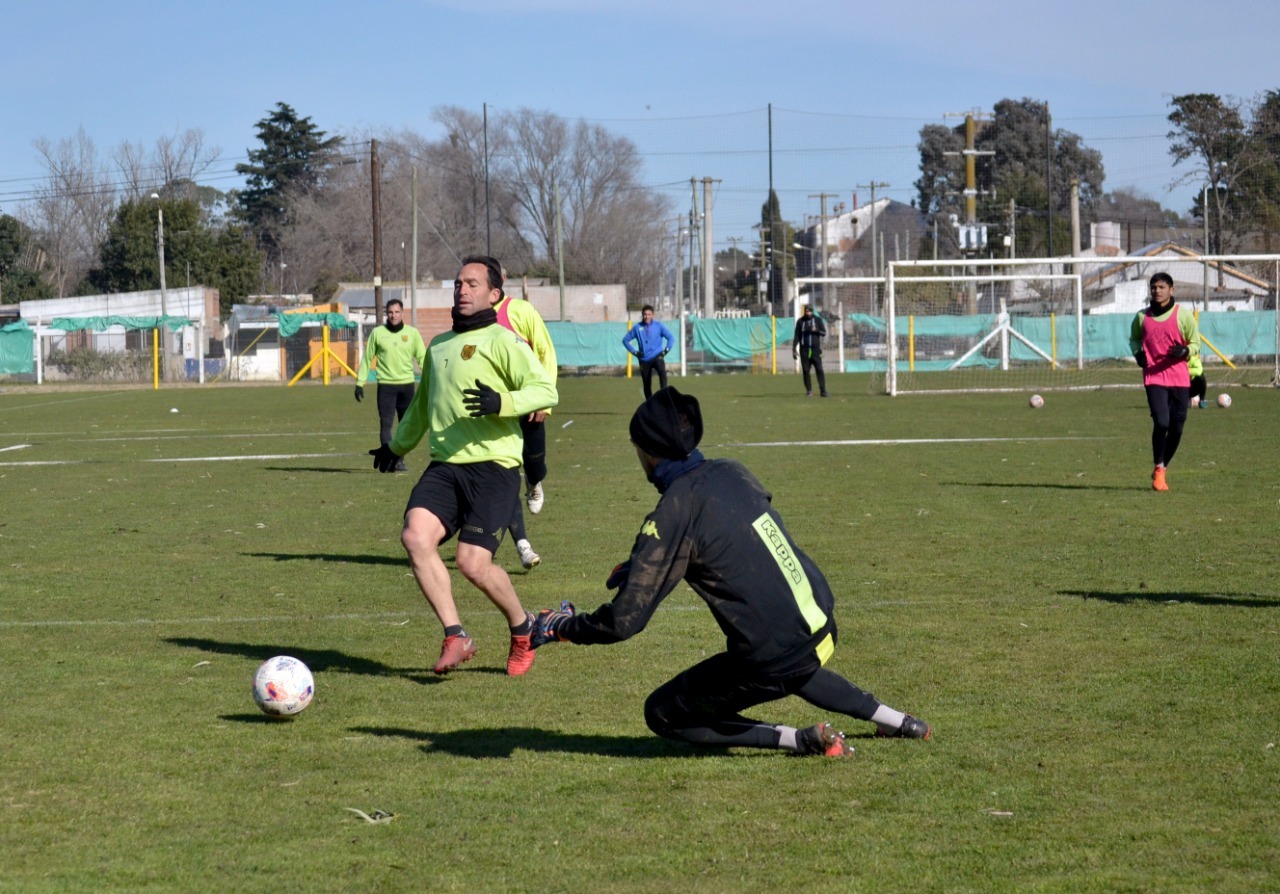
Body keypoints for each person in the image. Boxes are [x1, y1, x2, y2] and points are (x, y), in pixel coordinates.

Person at [529, 386, 930, 756]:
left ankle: (796, 740)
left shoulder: (675, 510)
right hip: (820, 622)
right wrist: (644, 563)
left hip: (775, 655)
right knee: (794, 662)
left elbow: (624, 622)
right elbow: (728, 530)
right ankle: (901, 723)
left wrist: (563, 626)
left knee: (663, 713)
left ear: (648, 451)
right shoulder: (732, 471)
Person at [369, 255, 558, 676]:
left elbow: (546, 389)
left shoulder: (506, 342)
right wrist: (394, 447)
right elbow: (420, 408)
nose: (462, 290)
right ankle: (456, 636)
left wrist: (503, 403)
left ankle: (523, 627)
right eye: (458, 284)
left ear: (494, 294)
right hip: (446, 466)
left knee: (473, 563)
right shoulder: (438, 347)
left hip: (494, 467)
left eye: (473, 284)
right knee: (416, 537)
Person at [491, 279, 558, 569]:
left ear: (495, 286)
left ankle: (534, 481)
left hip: (528, 403)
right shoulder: (471, 319)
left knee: (535, 464)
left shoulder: (520, 311)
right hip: (493, 410)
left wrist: (543, 400)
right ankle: (523, 546)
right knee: (504, 478)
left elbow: (545, 352)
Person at [1130, 272, 1200, 492]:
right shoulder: (1142, 317)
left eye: (1161, 287)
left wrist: (1186, 349)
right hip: (1154, 377)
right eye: (1154, 287)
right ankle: (1158, 468)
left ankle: (1163, 466)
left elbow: (1196, 343)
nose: (1157, 291)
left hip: (1179, 378)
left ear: (1172, 289)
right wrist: (1137, 353)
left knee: (1177, 427)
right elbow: (1133, 339)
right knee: (1162, 422)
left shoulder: (1184, 316)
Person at [355, 298, 426, 472]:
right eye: (390, 312)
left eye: (397, 312)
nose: (393, 315)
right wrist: (360, 382)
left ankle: (399, 461)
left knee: (405, 425)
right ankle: (387, 460)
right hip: (386, 386)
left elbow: (423, 358)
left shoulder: (412, 334)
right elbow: (367, 358)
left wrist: (432, 378)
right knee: (386, 424)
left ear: (402, 313)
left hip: (407, 386)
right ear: (387, 314)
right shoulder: (378, 333)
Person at [622, 305, 675, 399]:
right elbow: (625, 340)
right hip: (644, 359)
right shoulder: (637, 328)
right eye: (645, 314)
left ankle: (665, 396)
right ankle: (650, 405)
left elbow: (671, 338)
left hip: (657, 356)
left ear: (653, 315)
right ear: (642, 315)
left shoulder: (659, 326)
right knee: (646, 384)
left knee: (662, 372)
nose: (647, 316)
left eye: (649, 314)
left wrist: (665, 351)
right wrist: (634, 352)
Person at [792, 303, 828, 397]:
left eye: (810, 311)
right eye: (807, 311)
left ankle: (823, 390)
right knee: (806, 370)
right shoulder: (800, 321)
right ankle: (809, 391)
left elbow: (824, 333)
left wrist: (816, 330)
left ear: (812, 311)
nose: (808, 313)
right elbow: (797, 336)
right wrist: (794, 349)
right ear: (804, 311)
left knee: (819, 369)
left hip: (815, 349)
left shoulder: (818, 320)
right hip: (804, 350)